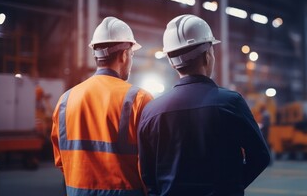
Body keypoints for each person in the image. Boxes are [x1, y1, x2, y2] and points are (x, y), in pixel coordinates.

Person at [138, 14, 270, 196]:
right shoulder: (230, 103)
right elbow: (260, 156)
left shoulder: (151, 112)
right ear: (208, 56)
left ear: (171, 62)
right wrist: (232, 186)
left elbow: (147, 175)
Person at [51, 17, 153, 196]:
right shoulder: (139, 99)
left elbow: (61, 161)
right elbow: (151, 164)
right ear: (124, 55)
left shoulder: (65, 101)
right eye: (132, 54)